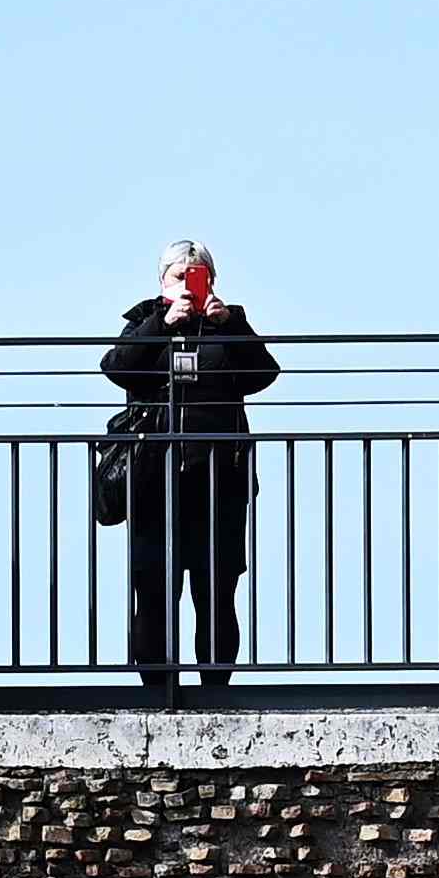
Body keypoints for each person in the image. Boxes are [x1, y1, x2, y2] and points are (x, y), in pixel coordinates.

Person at [102, 239, 277, 695]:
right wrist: (164, 323)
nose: (190, 284)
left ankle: (215, 691)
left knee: (216, 592)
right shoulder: (144, 320)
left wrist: (229, 325)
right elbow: (117, 368)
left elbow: (264, 374)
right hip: (154, 479)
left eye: (198, 276)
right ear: (162, 280)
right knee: (155, 593)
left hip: (220, 479)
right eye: (181, 276)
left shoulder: (227, 323)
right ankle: (157, 692)